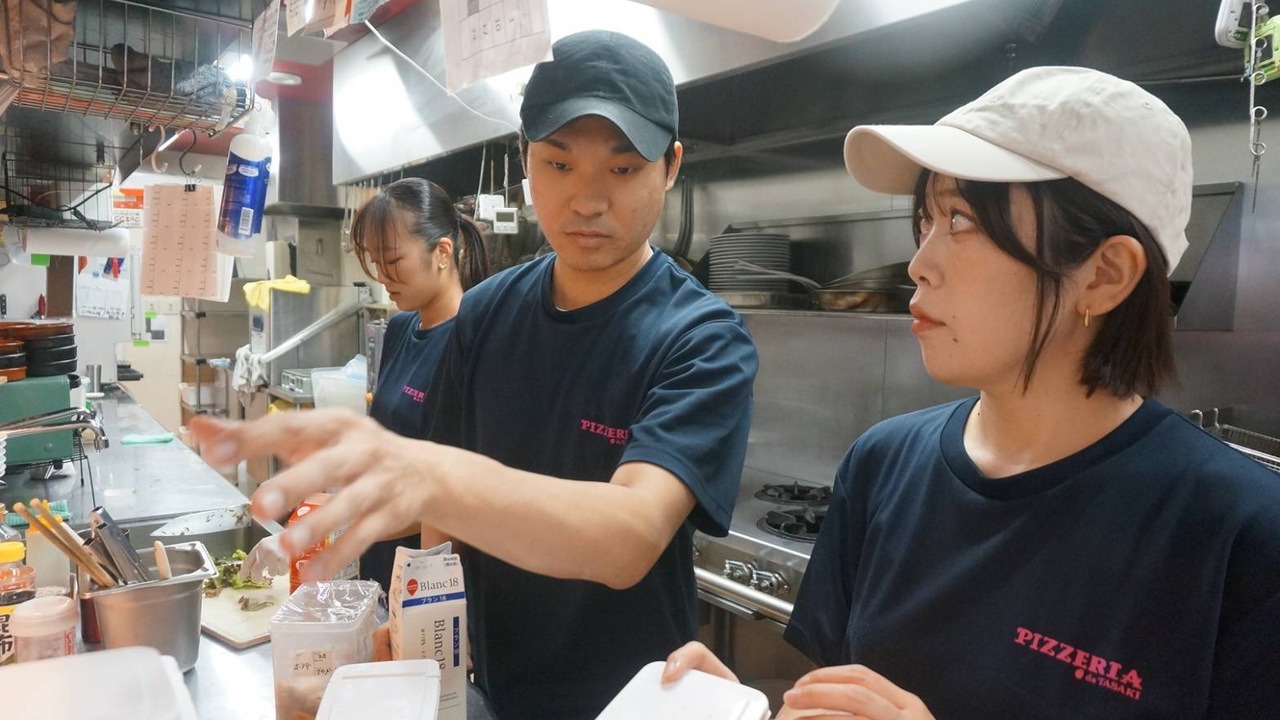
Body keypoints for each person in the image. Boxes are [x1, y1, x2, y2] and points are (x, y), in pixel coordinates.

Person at [664, 66, 1280, 719]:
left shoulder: (1243, 535)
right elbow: (835, 700)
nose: (919, 263)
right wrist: (748, 709)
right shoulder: (883, 465)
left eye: (961, 220)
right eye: (926, 220)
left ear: (1104, 275)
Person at [192, 29, 760, 720]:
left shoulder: (702, 338)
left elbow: (629, 536)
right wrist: (419, 631)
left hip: (633, 701)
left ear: (670, 167)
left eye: (622, 168)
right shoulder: (486, 313)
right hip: (490, 688)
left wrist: (428, 474)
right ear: (525, 159)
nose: (587, 200)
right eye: (559, 164)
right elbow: (441, 519)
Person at [238, 178, 490, 593]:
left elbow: (449, 500)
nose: (382, 276)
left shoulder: (470, 343)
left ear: (442, 252)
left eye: (393, 260)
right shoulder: (401, 328)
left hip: (428, 580)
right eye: (375, 261)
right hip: (377, 563)